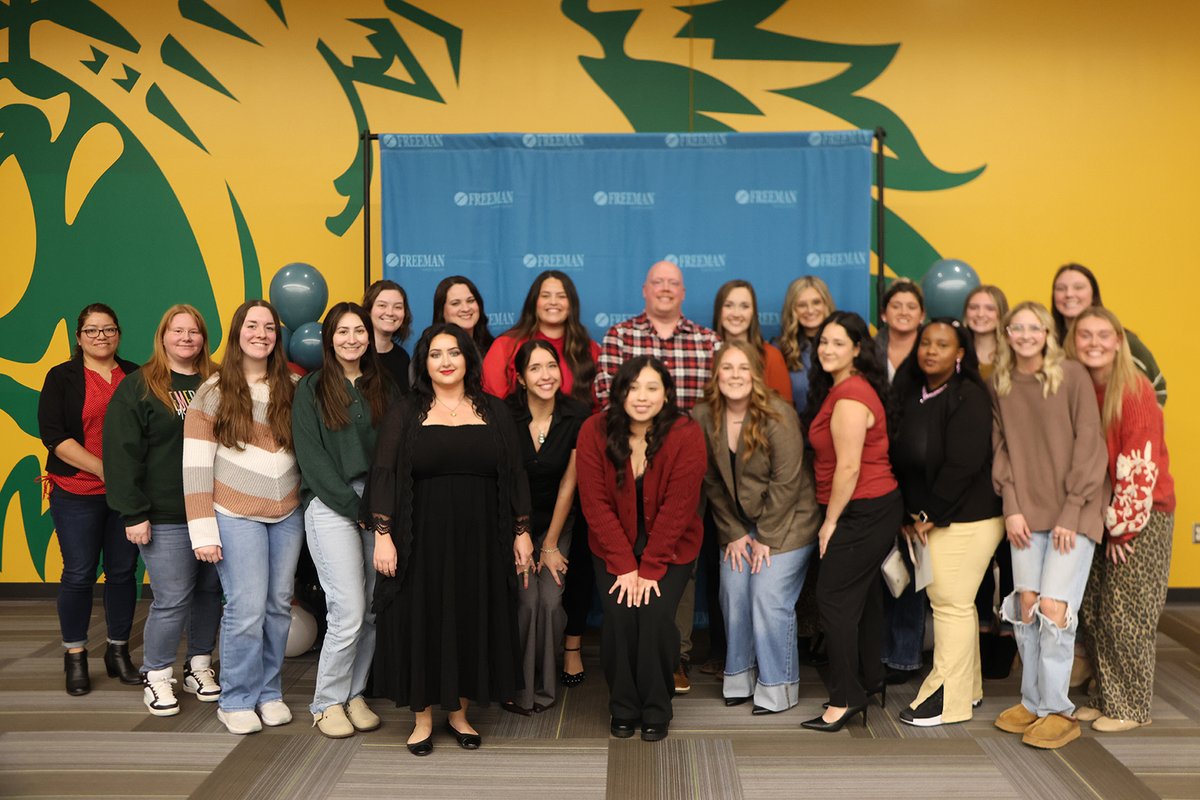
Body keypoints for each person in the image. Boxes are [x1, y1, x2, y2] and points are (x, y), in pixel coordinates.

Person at [367, 323, 533, 756]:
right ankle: (422, 719)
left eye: (454, 353)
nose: (445, 361)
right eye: (436, 354)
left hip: (482, 540)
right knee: (423, 617)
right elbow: (383, 474)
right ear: (424, 362)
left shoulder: (495, 411)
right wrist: (383, 536)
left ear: (467, 360)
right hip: (420, 538)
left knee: (469, 616)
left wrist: (522, 531)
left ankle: (460, 714)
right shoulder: (406, 411)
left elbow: (514, 474)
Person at [594, 260, 720, 693]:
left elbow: (720, 400)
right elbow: (606, 397)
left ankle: (675, 655)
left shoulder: (707, 341)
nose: (666, 289)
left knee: (676, 556)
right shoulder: (620, 336)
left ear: (683, 292)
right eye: (658, 282)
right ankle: (636, 667)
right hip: (629, 461)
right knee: (630, 553)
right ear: (644, 289)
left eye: (674, 283)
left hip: (686, 464)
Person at [990, 301, 1107, 750]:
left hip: (1073, 511)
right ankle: (1034, 701)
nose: (1024, 334)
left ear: (1045, 333)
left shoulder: (1071, 375)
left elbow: (1090, 445)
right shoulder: (1000, 383)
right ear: (1007, 333)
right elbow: (1001, 450)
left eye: (1032, 327)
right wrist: (1012, 506)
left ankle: (1058, 709)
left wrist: (1072, 511)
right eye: (1015, 327)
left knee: (1055, 611)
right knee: (1026, 605)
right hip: (1026, 513)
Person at [183, 300, 302, 736]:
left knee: (277, 607)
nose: (261, 334)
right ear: (237, 333)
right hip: (235, 514)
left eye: (269, 327)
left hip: (287, 514)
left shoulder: (292, 386)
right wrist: (203, 531)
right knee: (246, 608)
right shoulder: (212, 391)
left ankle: (268, 693)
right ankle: (235, 699)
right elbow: (194, 467)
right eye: (252, 326)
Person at [576, 356, 707, 742]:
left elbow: (680, 509)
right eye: (632, 388)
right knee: (618, 619)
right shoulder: (593, 429)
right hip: (611, 543)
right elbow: (595, 503)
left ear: (667, 393)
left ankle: (656, 707)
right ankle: (623, 705)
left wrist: (648, 567)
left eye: (652, 387)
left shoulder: (686, 433)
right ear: (618, 392)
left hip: (670, 546)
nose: (642, 396)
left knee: (653, 619)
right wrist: (623, 564)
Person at [103, 304, 221, 715]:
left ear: (204, 338)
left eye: (194, 332)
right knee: (172, 598)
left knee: (210, 592)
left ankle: (199, 665)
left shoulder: (218, 380)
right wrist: (133, 512)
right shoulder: (140, 386)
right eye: (178, 331)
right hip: (165, 512)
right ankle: (156, 674)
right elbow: (121, 453)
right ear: (163, 335)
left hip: (213, 509)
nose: (186, 338)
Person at [888, 319, 1004, 727]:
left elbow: (963, 465)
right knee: (956, 606)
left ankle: (946, 699)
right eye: (925, 343)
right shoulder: (912, 393)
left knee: (950, 605)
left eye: (942, 344)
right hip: (929, 520)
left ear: (960, 354)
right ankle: (967, 689)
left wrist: (928, 515)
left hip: (966, 518)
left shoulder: (968, 396)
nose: (931, 350)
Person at [692, 342, 819, 714]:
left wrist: (765, 537)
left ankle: (779, 686)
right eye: (727, 368)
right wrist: (732, 531)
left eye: (743, 368)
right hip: (739, 523)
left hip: (790, 519)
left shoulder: (777, 414)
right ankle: (739, 677)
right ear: (716, 374)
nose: (734, 376)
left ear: (756, 375)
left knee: (766, 592)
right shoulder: (703, 415)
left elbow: (787, 483)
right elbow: (710, 481)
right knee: (733, 587)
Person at [1066, 307, 1176, 733]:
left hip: (1141, 516)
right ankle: (1105, 696)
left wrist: (1122, 528)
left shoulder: (1134, 389)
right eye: (1085, 335)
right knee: (1094, 610)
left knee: (1125, 613)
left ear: (1118, 341)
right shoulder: (1082, 388)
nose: (1094, 343)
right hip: (1102, 515)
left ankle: (1131, 706)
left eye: (1103, 335)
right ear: (1073, 341)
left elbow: (1139, 464)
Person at [292, 303, 393, 738]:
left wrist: (381, 510)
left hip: (378, 504)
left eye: (360, 331)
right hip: (331, 504)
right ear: (328, 338)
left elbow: (395, 452)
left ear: (369, 337)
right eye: (343, 332)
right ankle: (326, 702)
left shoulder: (383, 386)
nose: (352, 339)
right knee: (348, 609)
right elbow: (312, 462)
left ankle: (354, 694)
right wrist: (357, 511)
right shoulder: (311, 389)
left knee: (371, 609)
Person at [800, 311, 903, 732]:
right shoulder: (842, 388)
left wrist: (830, 523)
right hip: (871, 506)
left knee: (834, 600)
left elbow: (848, 468)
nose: (827, 349)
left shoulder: (850, 396)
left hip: (861, 508)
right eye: (823, 341)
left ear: (858, 349)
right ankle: (870, 680)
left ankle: (845, 699)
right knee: (862, 599)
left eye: (838, 343)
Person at [38, 303, 140, 696]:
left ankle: (117, 651)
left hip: (126, 495)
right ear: (78, 337)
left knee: (122, 572)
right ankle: (75, 655)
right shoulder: (61, 377)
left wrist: (125, 480)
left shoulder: (135, 375)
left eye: (109, 329)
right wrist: (104, 470)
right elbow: (55, 436)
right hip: (77, 491)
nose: (101, 336)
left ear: (118, 333)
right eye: (92, 330)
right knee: (79, 573)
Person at [504, 340, 590, 715]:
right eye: (535, 368)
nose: (545, 375)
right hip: (511, 522)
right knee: (525, 598)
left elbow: (570, 484)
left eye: (551, 366)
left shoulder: (577, 415)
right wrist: (519, 536)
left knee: (552, 601)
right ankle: (515, 685)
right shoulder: (503, 415)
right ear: (521, 378)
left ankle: (544, 687)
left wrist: (550, 544)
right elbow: (505, 480)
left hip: (558, 521)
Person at [875, 279, 927, 684]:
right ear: (884, 312)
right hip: (875, 468)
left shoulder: (933, 352)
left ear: (921, 314)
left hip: (917, 471)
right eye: (897, 304)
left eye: (911, 306)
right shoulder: (868, 352)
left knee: (912, 567)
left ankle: (905, 656)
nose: (904, 311)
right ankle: (878, 651)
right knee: (880, 569)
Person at [1051, 263, 1165, 405]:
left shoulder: (1123, 341)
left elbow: (1158, 388)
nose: (1069, 294)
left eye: (1078, 287)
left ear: (1094, 294)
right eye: (1061, 289)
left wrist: (1144, 418)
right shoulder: (1048, 343)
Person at [483, 270, 600, 403]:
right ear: (534, 302)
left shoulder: (590, 348)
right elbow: (494, 404)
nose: (553, 302)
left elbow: (598, 406)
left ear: (571, 304)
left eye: (562, 296)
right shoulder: (506, 345)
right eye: (545, 296)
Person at [711, 280, 792, 403]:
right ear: (719, 311)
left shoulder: (771, 356)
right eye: (728, 305)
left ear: (753, 313)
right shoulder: (707, 354)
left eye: (744, 306)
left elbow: (785, 412)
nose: (736, 314)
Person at [775, 275, 836, 416]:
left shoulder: (845, 345)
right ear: (792, 309)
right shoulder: (780, 349)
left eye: (816, 302)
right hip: (796, 433)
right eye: (802, 305)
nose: (810, 310)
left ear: (826, 304)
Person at [363, 279, 411, 393]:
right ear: (368, 310)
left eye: (398, 307)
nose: (390, 312)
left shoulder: (402, 358)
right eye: (382, 305)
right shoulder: (356, 353)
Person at [875, 279, 925, 382]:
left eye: (911, 307)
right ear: (883, 314)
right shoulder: (869, 350)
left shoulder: (931, 350)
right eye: (896, 306)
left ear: (922, 316)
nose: (903, 312)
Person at [432, 275, 493, 354]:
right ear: (441, 311)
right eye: (455, 303)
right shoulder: (429, 350)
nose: (466, 309)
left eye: (470, 301)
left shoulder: (495, 349)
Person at [962, 285, 1009, 382]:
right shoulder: (955, 352)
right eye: (973, 307)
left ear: (1001, 313)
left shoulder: (1013, 354)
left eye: (990, 308)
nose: (980, 314)